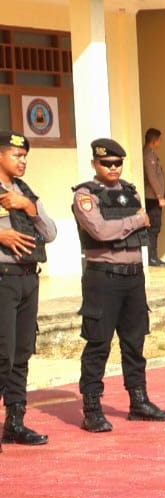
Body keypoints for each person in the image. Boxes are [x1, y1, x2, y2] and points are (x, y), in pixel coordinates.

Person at [74, 137, 165, 433]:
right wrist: (136, 221)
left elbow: (136, 224)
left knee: (134, 341)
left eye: (118, 163)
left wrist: (134, 221)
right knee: (98, 343)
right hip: (103, 277)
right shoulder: (85, 195)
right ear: (95, 163)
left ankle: (138, 401)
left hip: (133, 277)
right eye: (107, 163)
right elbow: (101, 231)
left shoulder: (130, 192)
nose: (113, 168)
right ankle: (92, 408)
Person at [0, 131, 55, 447]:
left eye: (25, 157)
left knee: (21, 353)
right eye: (16, 155)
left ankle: (15, 422)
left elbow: (51, 232)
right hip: (3, 279)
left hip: (27, 279)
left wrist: (29, 207)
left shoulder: (25, 192)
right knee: (2, 354)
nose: (22, 161)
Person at [141, 128, 165, 267]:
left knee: (155, 227)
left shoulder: (151, 153)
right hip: (152, 198)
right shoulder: (148, 155)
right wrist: (159, 195)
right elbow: (152, 177)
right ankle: (152, 257)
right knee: (153, 227)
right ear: (155, 140)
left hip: (154, 197)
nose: (160, 142)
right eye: (159, 139)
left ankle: (153, 256)